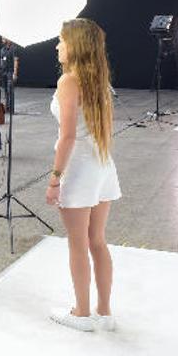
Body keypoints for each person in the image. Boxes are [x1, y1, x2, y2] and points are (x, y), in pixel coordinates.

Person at [46, 18, 121, 332]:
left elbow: (68, 137)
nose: (57, 46)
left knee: (78, 243)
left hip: (79, 170)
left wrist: (54, 179)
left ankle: (81, 313)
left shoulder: (69, 81)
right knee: (97, 242)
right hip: (103, 166)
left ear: (74, 45)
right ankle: (104, 312)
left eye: (62, 40)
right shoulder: (99, 80)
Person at [0, 36, 20, 112]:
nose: (2, 39)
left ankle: (11, 109)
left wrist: (15, 73)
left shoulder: (14, 48)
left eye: (4, 38)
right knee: (5, 90)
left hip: (10, 72)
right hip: (3, 72)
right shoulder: (2, 50)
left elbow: (16, 61)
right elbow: (2, 61)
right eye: (2, 38)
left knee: (10, 90)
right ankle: (7, 107)